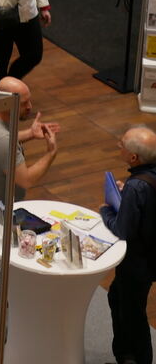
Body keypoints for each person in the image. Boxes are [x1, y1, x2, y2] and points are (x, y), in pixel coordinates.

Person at [0, 76, 58, 351]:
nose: (30, 107)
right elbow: (26, 178)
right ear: (7, 104)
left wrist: (29, 134)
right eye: (24, 103)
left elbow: (2, 142)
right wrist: (51, 153)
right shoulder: (2, 140)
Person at [100, 125, 156, 364]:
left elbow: (123, 229)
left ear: (134, 157)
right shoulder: (142, 181)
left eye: (121, 144)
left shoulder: (136, 186)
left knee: (133, 314)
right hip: (151, 256)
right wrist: (128, 197)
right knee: (117, 298)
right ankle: (126, 356)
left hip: (137, 262)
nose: (118, 145)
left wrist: (106, 211)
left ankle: (135, 359)